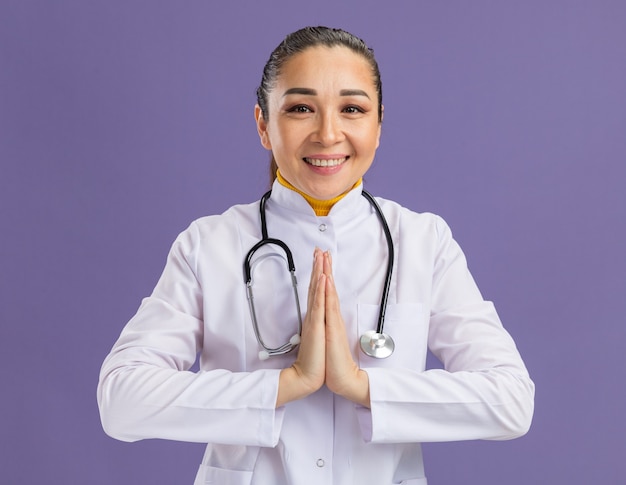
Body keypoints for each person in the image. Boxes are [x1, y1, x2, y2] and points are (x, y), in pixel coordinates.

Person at [98, 26, 534, 485]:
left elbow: (510, 401)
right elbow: (122, 401)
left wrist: (362, 387)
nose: (328, 134)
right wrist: (285, 386)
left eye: (352, 109)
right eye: (301, 108)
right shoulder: (210, 244)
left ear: (378, 125)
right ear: (264, 125)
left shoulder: (423, 241)